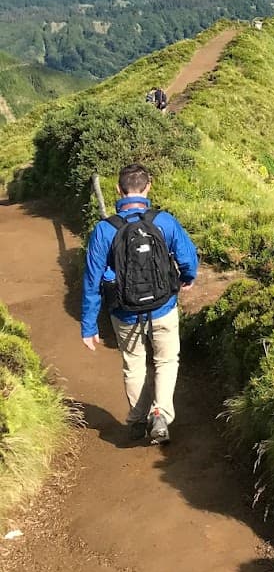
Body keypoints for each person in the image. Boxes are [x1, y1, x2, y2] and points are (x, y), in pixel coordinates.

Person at [80, 163, 198, 445]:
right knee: (166, 360)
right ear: (148, 187)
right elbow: (187, 257)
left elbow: (92, 280)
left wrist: (88, 325)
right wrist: (188, 277)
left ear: (118, 190)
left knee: (133, 364)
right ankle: (160, 413)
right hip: (163, 306)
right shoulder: (164, 221)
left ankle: (136, 420)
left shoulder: (104, 230)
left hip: (124, 311)